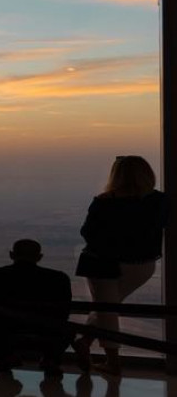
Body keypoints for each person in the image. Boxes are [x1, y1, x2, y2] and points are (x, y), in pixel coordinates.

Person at [72, 155, 168, 376]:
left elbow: (88, 232)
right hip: (143, 265)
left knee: (106, 310)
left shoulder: (104, 202)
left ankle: (112, 362)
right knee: (107, 308)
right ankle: (85, 342)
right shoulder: (159, 201)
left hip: (102, 264)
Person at [0, 239, 73, 377]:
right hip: (46, 329)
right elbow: (64, 312)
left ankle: (5, 356)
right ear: (39, 257)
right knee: (68, 328)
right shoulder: (59, 278)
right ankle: (51, 359)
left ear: (11, 255)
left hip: (6, 328)